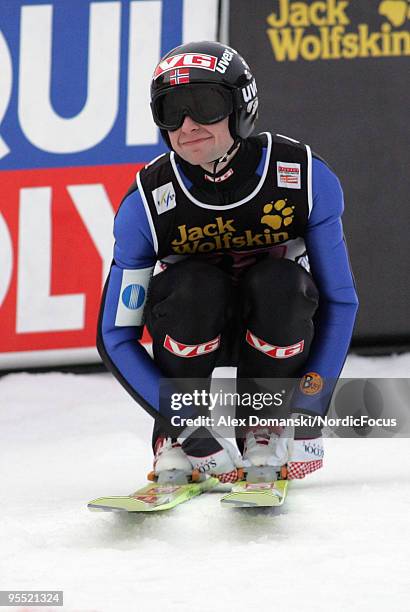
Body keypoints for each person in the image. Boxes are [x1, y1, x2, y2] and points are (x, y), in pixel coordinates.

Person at [97, 41, 358, 484]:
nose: (188, 125)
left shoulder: (305, 177)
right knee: (194, 286)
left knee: (281, 281)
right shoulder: (145, 203)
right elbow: (115, 335)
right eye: (171, 111)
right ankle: (175, 439)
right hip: (191, 334)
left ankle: (267, 422)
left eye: (204, 105)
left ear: (242, 107)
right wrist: (184, 420)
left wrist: (311, 407)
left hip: (276, 329)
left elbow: (339, 301)